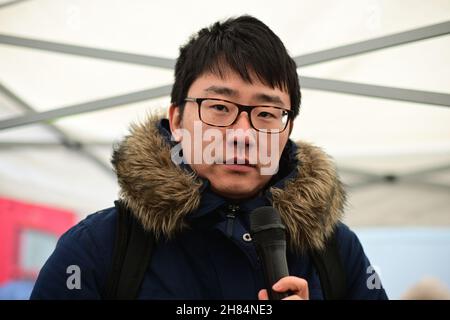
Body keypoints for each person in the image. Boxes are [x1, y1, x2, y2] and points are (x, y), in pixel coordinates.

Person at [30, 15, 387, 300]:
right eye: (218, 107)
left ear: (288, 130)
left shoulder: (335, 251)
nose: (243, 135)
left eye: (266, 113)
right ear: (176, 120)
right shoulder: (101, 246)